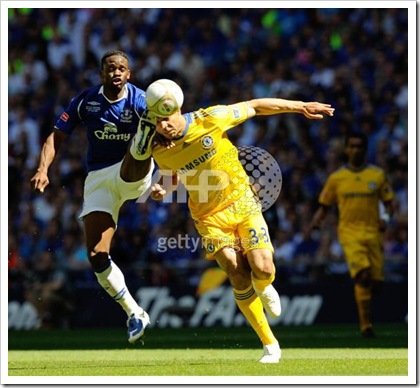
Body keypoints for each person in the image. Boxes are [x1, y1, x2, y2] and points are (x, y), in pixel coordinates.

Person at [145, 79, 335, 363]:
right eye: (157, 121)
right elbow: (175, 174)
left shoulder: (210, 119)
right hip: (208, 218)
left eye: (166, 118)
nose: (163, 126)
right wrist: (163, 189)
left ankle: (264, 284)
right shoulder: (159, 148)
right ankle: (270, 344)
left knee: (263, 266)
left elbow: (255, 106)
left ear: (178, 109)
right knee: (235, 269)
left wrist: (300, 106)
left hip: (243, 203)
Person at [30, 50, 155, 343]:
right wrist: (43, 169)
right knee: (97, 256)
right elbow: (56, 135)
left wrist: (160, 179)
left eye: (122, 68)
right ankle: (135, 314)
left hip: (133, 170)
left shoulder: (139, 100)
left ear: (129, 74)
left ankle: (144, 141)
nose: (116, 72)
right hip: (98, 179)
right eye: (111, 68)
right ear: (102, 74)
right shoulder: (87, 100)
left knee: (142, 142)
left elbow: (166, 142)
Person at [309, 131, 395, 338]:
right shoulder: (337, 178)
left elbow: (389, 203)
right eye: (352, 146)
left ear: (365, 149)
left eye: (359, 146)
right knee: (363, 276)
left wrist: (386, 219)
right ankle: (366, 326)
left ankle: (368, 316)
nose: (355, 150)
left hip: (373, 232)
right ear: (346, 149)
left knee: (376, 283)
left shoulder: (377, 175)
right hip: (349, 233)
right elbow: (324, 205)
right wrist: (316, 221)